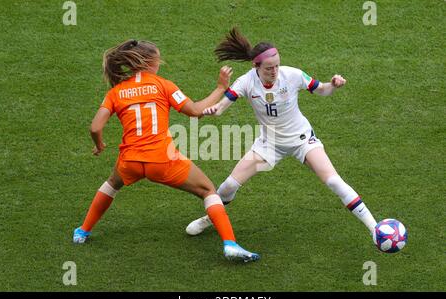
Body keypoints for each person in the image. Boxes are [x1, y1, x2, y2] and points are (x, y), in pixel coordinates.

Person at [73, 39, 259, 262]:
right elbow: (196, 111)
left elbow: (95, 127)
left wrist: (99, 144)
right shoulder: (163, 85)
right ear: (150, 62)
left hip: (130, 161)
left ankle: (82, 232)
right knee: (208, 190)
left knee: (112, 184)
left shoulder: (117, 92)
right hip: (162, 160)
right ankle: (230, 244)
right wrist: (220, 87)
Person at [186, 28, 378, 241]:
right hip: (269, 145)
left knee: (333, 181)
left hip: (302, 141)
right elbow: (222, 106)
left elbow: (321, 90)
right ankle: (209, 218)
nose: (274, 71)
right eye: (269, 68)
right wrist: (215, 110)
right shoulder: (246, 82)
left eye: (276, 66)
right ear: (255, 66)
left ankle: (375, 229)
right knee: (229, 185)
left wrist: (332, 85)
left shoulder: (292, 75)